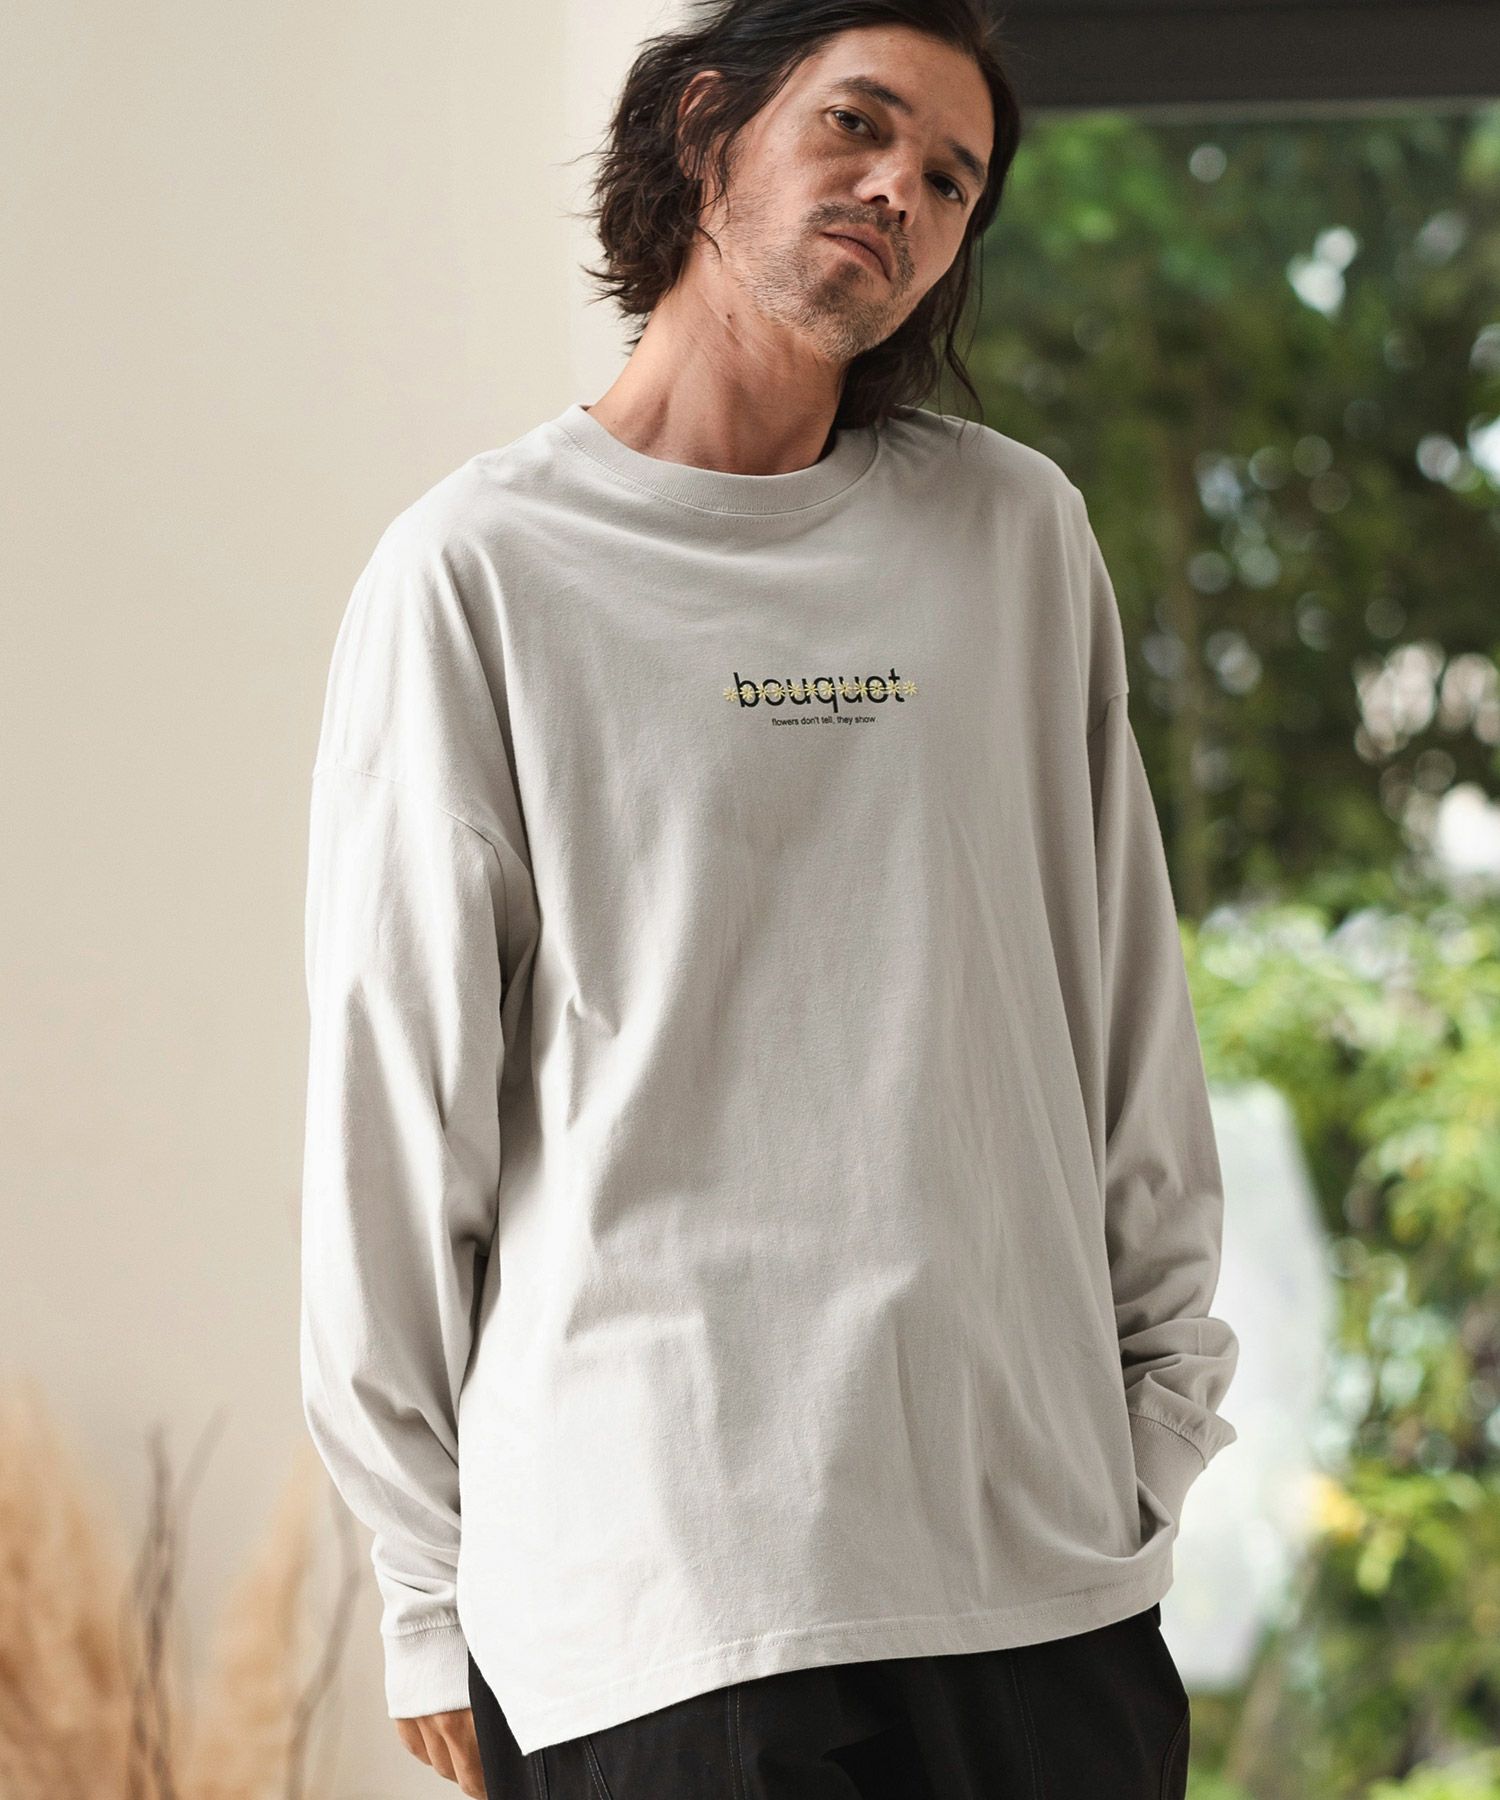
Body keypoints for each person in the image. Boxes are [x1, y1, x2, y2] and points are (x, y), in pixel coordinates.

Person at [297, 1, 1241, 1794]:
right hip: (663, 1603)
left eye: (952, 179)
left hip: (1038, 1585)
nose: (901, 193)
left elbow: (1126, 1012)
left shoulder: (1013, 541)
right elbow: (396, 1118)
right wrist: (424, 1585)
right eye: (858, 126)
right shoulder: (479, 574)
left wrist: (1158, 1434)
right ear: (706, 127)